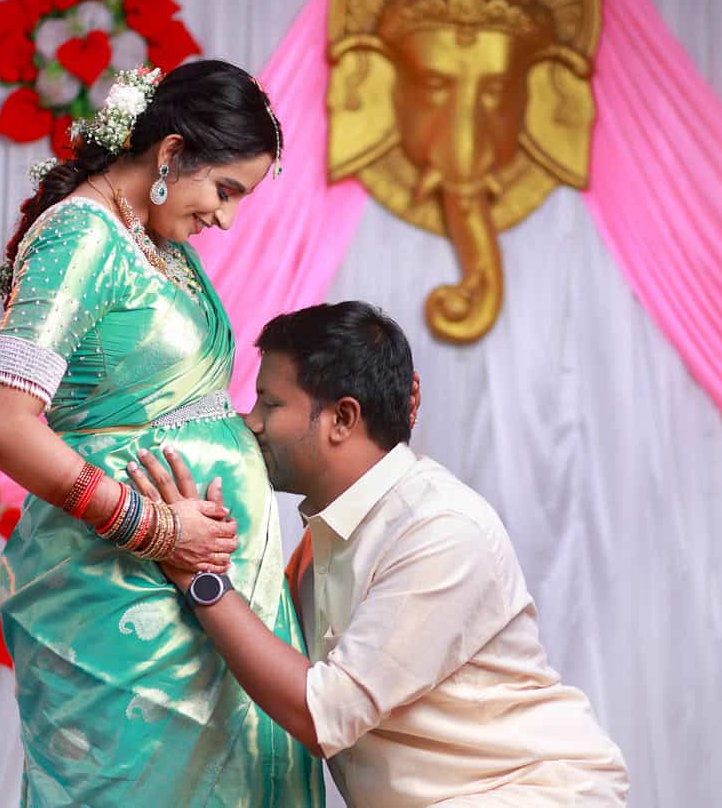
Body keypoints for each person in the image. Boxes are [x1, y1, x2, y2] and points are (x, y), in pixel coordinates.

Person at [0, 60, 323, 807]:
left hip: (198, 605)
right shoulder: (81, 235)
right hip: (126, 605)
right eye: (223, 190)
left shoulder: (160, 245)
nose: (226, 217)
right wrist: (155, 527)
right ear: (168, 156)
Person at [130, 301, 630, 807]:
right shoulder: (323, 540)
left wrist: (203, 578)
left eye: (270, 404)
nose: (250, 423)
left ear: (342, 418)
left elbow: (323, 712)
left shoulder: (439, 529)